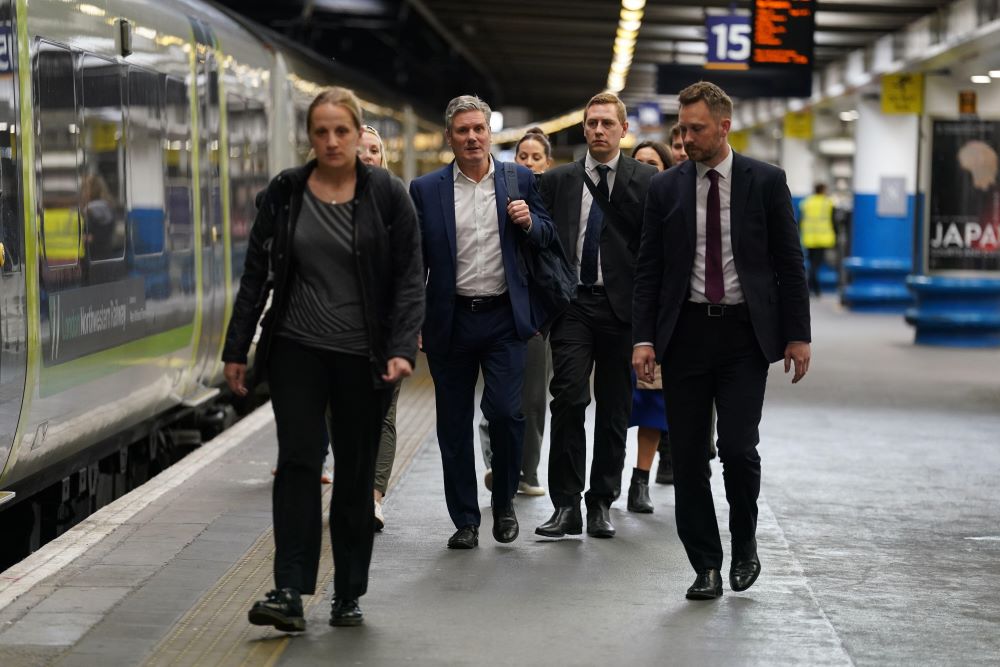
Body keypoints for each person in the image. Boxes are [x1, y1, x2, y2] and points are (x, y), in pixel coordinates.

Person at [222, 87, 424, 629]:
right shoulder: (287, 192)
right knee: (299, 464)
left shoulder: (387, 195)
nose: (332, 141)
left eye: (342, 131)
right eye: (321, 132)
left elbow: (408, 278)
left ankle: (348, 592)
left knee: (355, 476)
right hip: (297, 350)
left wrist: (402, 348)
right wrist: (236, 349)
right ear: (309, 137)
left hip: (364, 357)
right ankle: (289, 589)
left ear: (359, 134)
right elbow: (256, 276)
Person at [632, 81, 811, 601]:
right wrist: (643, 338)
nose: (685, 138)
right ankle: (705, 564)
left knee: (737, 448)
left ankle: (745, 543)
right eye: (682, 128)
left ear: (724, 127)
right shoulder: (665, 189)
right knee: (688, 455)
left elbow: (789, 264)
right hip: (684, 334)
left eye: (696, 129)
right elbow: (649, 270)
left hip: (743, 336)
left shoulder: (766, 182)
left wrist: (797, 335)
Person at [409, 95, 556, 550]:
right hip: (450, 320)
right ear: (449, 137)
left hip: (502, 320)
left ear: (490, 135)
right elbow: (413, 262)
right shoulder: (426, 189)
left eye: (479, 129)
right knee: (452, 424)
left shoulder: (520, 180)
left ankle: (506, 502)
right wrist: (413, 319)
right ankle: (466, 520)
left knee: (507, 413)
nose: (472, 137)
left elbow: (549, 237)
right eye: (462, 131)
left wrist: (530, 221)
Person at [535, 92, 657, 539]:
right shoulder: (559, 181)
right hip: (573, 305)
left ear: (624, 130)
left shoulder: (646, 181)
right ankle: (565, 504)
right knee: (568, 397)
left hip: (623, 311)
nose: (598, 130)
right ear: (583, 129)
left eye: (607, 123)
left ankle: (600, 501)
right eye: (591, 123)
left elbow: (654, 253)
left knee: (614, 408)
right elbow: (544, 244)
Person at [480, 128, 553, 498]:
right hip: (501, 309)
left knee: (533, 397)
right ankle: (497, 462)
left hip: (539, 311)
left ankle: (529, 469)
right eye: (521, 156)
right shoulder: (497, 192)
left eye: (535, 157)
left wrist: (531, 222)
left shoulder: (550, 197)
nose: (527, 162)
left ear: (547, 162)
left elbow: (553, 241)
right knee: (498, 395)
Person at [624, 140, 672, 513]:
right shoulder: (616, 203)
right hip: (614, 315)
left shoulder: (673, 208)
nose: (644, 170)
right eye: (637, 163)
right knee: (615, 404)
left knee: (651, 401)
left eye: (652, 164)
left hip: (654, 320)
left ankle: (640, 480)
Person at [357, 124, 401, 529]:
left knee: (383, 416)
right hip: (337, 329)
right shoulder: (320, 201)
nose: (368, 155)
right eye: (362, 149)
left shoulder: (396, 203)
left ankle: (372, 498)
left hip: (386, 328)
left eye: (375, 149)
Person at [798, 182, 836, 297]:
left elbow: (800, 220)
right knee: (816, 265)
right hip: (822, 238)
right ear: (823, 190)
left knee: (812, 263)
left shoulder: (806, 202)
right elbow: (833, 221)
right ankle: (814, 288)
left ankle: (811, 288)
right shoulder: (827, 203)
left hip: (809, 238)